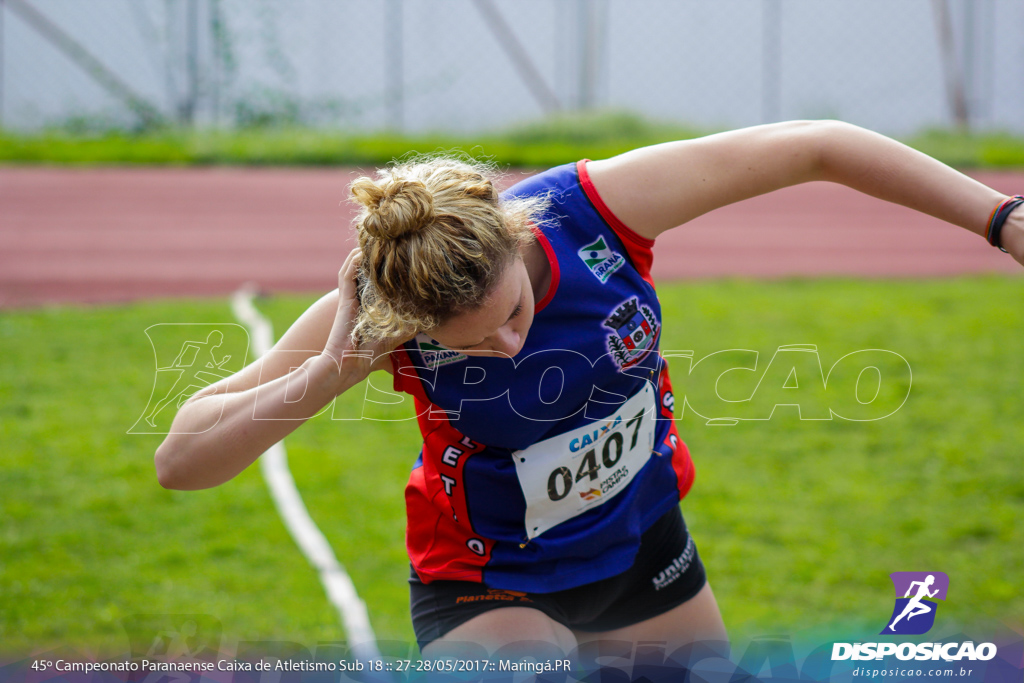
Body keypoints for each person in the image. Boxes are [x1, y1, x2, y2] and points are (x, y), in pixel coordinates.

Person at [154, 120, 1024, 658]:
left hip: (645, 543)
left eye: (515, 312)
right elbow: (180, 460)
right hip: (489, 587)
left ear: (518, 233)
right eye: (473, 347)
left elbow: (817, 147)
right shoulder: (381, 315)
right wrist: (332, 369)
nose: (506, 344)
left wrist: (1002, 219)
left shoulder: (600, 209)